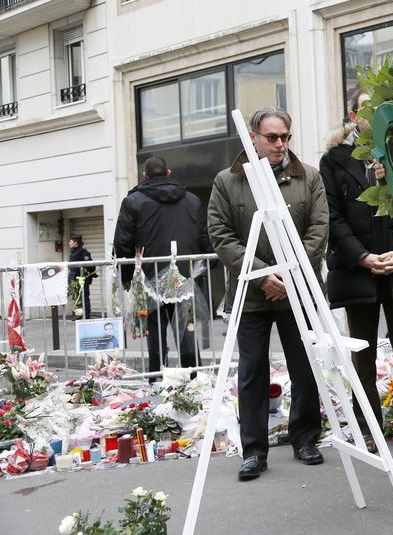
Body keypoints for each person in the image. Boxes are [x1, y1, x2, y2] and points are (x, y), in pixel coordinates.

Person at [208, 106, 328, 480]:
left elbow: (319, 229)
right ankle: (254, 451)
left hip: (296, 290)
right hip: (253, 294)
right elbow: (221, 235)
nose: (280, 144)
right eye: (272, 137)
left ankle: (305, 438)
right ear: (253, 137)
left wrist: (289, 276)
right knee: (252, 372)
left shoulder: (308, 176)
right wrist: (262, 276)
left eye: (285, 137)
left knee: (304, 365)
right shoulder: (228, 181)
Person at [320, 88, 393, 453]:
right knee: (363, 353)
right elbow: (333, 219)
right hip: (359, 269)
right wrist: (363, 257)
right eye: (365, 110)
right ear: (353, 117)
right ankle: (370, 427)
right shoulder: (334, 160)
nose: (372, 117)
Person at [113, 156, 212, 374]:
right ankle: (192, 377)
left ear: (145, 176)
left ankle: (157, 377)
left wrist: (126, 276)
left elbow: (123, 241)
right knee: (186, 328)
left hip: (150, 277)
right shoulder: (192, 200)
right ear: (168, 173)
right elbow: (203, 236)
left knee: (155, 330)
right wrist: (204, 269)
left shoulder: (133, 201)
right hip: (185, 276)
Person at [68, 235, 94, 318]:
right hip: (74, 277)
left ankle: (86, 314)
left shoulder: (83, 252)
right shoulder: (73, 252)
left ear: (76, 242)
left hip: (82, 278)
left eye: (71, 241)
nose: (69, 243)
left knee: (84, 296)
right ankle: (79, 314)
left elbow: (89, 265)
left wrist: (87, 276)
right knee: (77, 297)